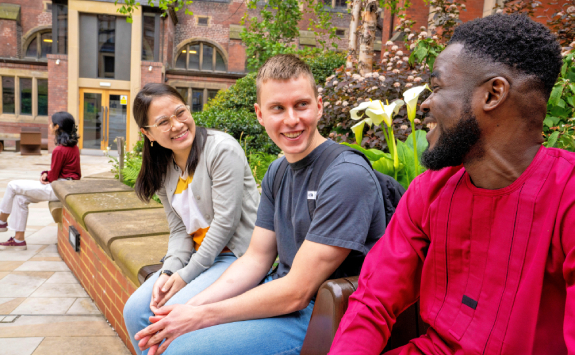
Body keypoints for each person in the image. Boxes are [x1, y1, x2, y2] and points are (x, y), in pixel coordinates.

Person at [329, 14, 575, 355]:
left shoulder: (567, 196)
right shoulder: (429, 190)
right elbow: (373, 300)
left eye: (439, 86)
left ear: (493, 94)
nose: (425, 103)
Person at [132, 54, 391, 355]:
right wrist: (187, 308)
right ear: (259, 114)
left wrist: (199, 316)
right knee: (167, 328)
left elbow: (297, 292)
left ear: (319, 106)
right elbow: (255, 260)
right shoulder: (277, 172)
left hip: (325, 316)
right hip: (282, 301)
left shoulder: (346, 175)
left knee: (180, 349)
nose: (291, 120)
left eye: (301, 105)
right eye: (278, 108)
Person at [122, 83, 260, 355]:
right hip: (199, 257)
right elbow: (179, 231)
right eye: (163, 122)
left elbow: (225, 223)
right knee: (135, 310)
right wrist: (169, 272)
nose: (177, 125)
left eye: (180, 112)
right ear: (147, 133)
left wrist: (185, 276)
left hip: (238, 256)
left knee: (167, 316)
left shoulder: (221, 150)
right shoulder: (163, 170)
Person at [0, 112, 81, 250]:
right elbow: (60, 172)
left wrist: (46, 175)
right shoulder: (73, 147)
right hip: (66, 187)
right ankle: (19, 240)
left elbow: (53, 177)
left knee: (12, 185)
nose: (49, 125)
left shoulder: (59, 150)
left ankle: (1, 220)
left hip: (58, 188)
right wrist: (46, 174)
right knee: (20, 198)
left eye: (51, 123)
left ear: (57, 127)